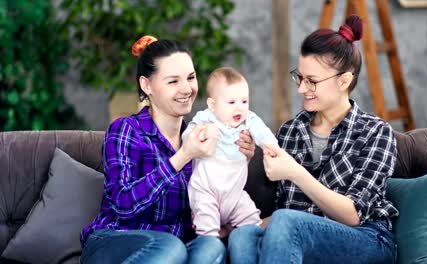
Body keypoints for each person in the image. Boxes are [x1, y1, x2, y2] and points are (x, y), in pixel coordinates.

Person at [228, 15, 398, 264]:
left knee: (286, 221)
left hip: (367, 238)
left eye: (312, 81)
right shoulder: (290, 131)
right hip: (304, 235)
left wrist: (296, 173)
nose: (301, 88)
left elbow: (353, 215)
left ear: (344, 81)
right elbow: (286, 216)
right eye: (299, 77)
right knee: (242, 237)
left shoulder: (376, 132)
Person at [79, 35, 256, 264]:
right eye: (173, 81)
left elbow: (211, 202)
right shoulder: (126, 131)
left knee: (211, 247)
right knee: (169, 245)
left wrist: (239, 160)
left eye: (190, 78)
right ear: (146, 85)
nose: (187, 89)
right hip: (114, 242)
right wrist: (183, 156)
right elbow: (123, 204)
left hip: (173, 251)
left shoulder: (201, 139)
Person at [182, 67, 278, 237]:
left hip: (234, 194)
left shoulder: (249, 119)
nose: (239, 108)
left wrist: (272, 147)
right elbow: (187, 137)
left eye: (244, 101)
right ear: (213, 105)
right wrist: (203, 133)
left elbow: (264, 133)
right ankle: (210, 243)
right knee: (207, 227)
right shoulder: (205, 119)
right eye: (231, 102)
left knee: (251, 219)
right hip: (206, 191)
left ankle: (251, 242)